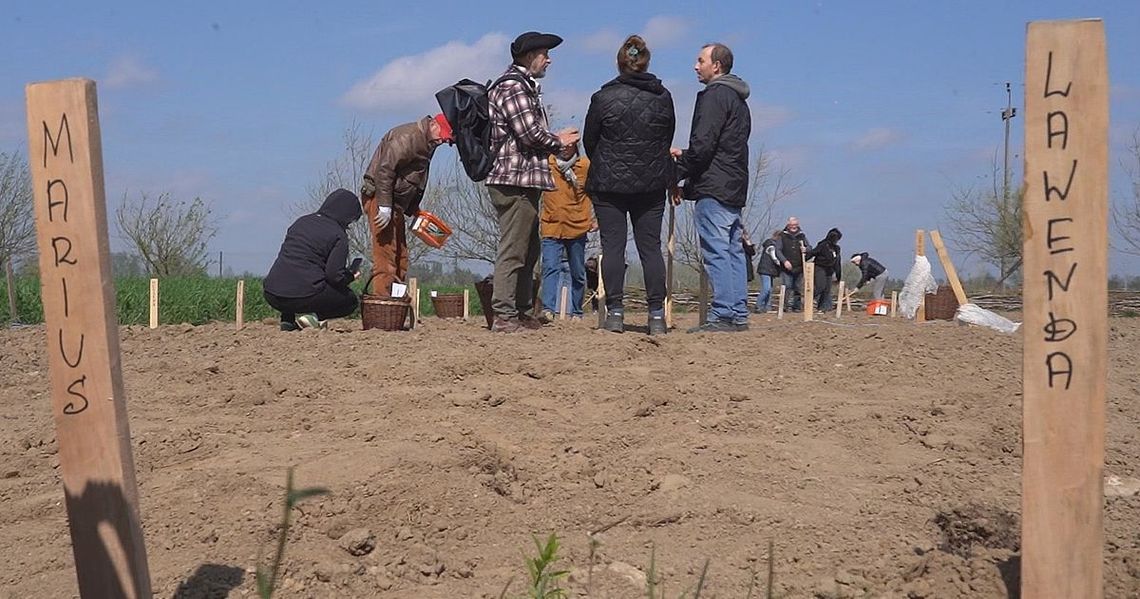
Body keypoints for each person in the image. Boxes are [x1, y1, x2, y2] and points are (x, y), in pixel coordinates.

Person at [485, 31, 581, 333]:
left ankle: (522, 311)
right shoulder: (513, 87)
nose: (549, 60)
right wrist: (559, 140)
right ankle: (503, 314)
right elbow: (528, 133)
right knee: (515, 247)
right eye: (544, 54)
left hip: (523, 179)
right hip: (513, 180)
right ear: (529, 57)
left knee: (529, 248)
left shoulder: (522, 85)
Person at [583, 35, 675, 335]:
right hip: (651, 183)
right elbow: (667, 138)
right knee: (651, 249)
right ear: (646, 61)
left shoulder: (602, 98)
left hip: (609, 184)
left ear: (620, 63)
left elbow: (590, 141)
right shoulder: (664, 97)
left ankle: (616, 313)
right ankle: (657, 315)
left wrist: (608, 160)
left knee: (613, 248)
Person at [671, 43, 751, 333]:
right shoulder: (738, 100)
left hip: (715, 187)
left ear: (716, 66)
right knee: (732, 251)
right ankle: (738, 312)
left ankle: (724, 314)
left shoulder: (714, 96)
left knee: (717, 251)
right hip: (733, 184)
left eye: (700, 60)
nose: (695, 66)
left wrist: (677, 174)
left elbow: (704, 146)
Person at [360, 114, 453, 297]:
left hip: (396, 204)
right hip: (381, 198)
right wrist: (384, 206)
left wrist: (413, 209)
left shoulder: (428, 143)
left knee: (401, 255)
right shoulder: (407, 137)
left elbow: (414, 178)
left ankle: (396, 302)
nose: (443, 141)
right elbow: (384, 171)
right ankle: (383, 302)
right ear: (433, 124)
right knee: (385, 255)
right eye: (443, 135)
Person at [263, 189, 363, 330]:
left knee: (293, 274)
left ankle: (287, 319)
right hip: (303, 295)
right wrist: (351, 276)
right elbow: (334, 276)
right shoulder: (339, 235)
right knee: (350, 301)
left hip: (272, 292)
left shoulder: (301, 222)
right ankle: (312, 318)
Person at [539, 143, 593, 320]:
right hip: (551, 224)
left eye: (569, 146)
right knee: (550, 267)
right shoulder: (548, 165)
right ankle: (548, 309)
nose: (564, 148)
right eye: (561, 145)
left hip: (577, 225)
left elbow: (596, 191)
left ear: (575, 147)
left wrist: (597, 218)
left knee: (577, 271)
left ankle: (577, 311)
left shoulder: (584, 166)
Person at [775, 216, 809, 312]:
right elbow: (778, 250)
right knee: (788, 286)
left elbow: (809, 247)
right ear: (788, 225)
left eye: (796, 225)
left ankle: (797, 306)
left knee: (797, 287)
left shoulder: (802, 236)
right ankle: (787, 306)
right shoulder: (782, 236)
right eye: (792, 225)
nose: (794, 227)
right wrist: (784, 261)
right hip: (787, 267)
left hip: (799, 266)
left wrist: (806, 249)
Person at [807, 227, 842, 312]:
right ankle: (808, 300)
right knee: (820, 287)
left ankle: (822, 308)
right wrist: (804, 259)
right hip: (820, 267)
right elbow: (813, 253)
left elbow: (837, 262)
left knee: (827, 290)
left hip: (829, 270)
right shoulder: (823, 245)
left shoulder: (837, 249)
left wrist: (838, 276)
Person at [755, 229, 781, 313]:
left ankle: (767, 306)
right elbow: (774, 257)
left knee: (770, 289)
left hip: (770, 270)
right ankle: (759, 305)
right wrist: (780, 263)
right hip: (766, 269)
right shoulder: (771, 245)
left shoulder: (772, 244)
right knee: (766, 289)